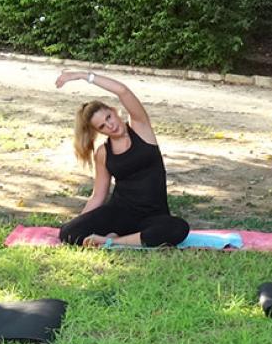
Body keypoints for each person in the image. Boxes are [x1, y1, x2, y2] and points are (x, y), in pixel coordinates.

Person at [55, 71, 189, 249]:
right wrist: (81, 221)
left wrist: (83, 76)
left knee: (178, 229)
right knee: (68, 233)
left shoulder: (141, 129)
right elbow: (98, 196)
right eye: (102, 126)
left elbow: (123, 91)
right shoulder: (103, 152)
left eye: (108, 117)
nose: (110, 125)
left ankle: (112, 241)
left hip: (153, 215)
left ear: (114, 111)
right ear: (99, 131)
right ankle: (125, 239)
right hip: (119, 213)